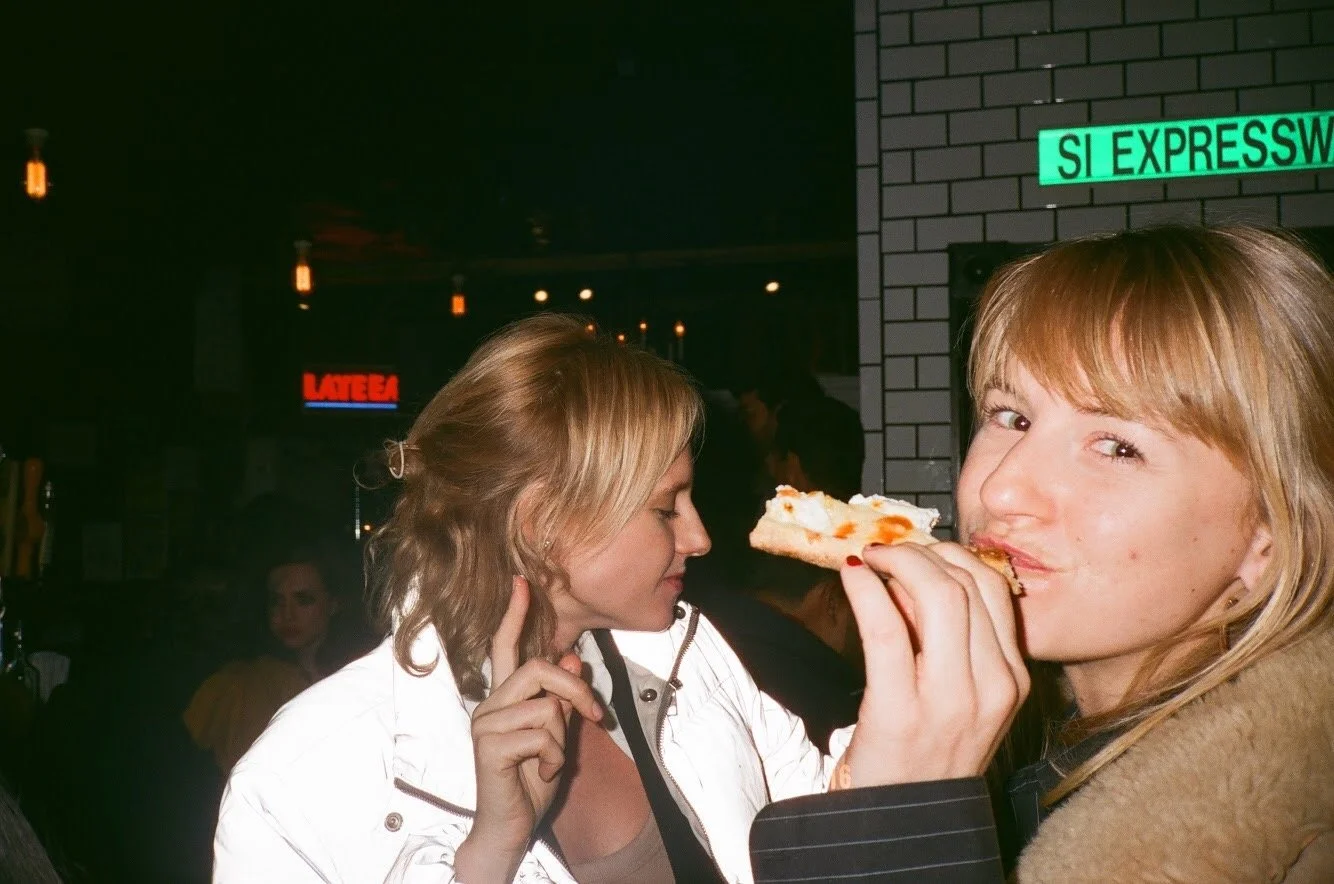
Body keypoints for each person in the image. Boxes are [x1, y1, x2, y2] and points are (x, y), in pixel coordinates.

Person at [213, 314, 1026, 883]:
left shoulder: (690, 652)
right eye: (667, 506)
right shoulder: (302, 774)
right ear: (542, 524)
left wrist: (914, 721)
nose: (701, 538)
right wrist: (487, 854)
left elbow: (813, 828)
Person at [749, 225, 1334, 882]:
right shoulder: (1037, 748)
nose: (999, 489)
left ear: (1274, 536)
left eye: (1117, 446)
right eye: (1012, 417)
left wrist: (903, 825)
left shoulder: (1292, 848)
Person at [185, 541, 372, 774]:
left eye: (303, 600)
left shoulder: (363, 679)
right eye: (277, 601)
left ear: (333, 603)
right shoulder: (238, 684)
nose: (287, 614)